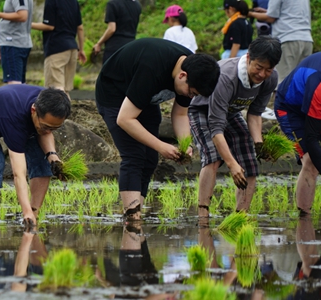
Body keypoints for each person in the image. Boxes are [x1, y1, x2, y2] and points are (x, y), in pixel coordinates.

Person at [95, 38, 220, 221]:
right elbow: (125, 119)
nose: (190, 96)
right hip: (115, 94)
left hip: (146, 98)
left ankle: (135, 212)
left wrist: (185, 143)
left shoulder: (195, 70)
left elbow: (180, 114)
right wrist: (162, 146)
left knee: (150, 158)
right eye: (191, 92)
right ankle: (132, 217)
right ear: (182, 75)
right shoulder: (152, 68)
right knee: (134, 155)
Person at [189, 36, 281, 218]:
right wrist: (232, 164)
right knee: (213, 158)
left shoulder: (270, 80)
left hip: (231, 112)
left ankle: (240, 216)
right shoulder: (226, 76)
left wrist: (259, 144)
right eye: (258, 67)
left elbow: (254, 114)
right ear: (248, 58)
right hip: (203, 109)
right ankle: (203, 216)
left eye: (268, 70)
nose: (262, 74)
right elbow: (216, 127)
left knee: (249, 161)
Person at [0, 85, 70, 225]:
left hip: (14, 115)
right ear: (34, 110)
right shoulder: (15, 119)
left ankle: (33, 216)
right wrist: (24, 210)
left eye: (55, 128)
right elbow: (19, 173)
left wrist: (53, 158)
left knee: (42, 162)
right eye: (46, 126)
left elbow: (46, 132)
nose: (48, 130)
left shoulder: (49, 104)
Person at [274, 52, 321, 216]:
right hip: (290, 110)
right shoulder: (318, 85)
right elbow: (312, 137)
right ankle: (304, 217)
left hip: (312, 105)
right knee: (310, 162)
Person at [249, 0, 313, 83]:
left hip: (288, 39)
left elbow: (271, 18)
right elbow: (290, 12)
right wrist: (266, 12)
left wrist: (250, 14)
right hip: (306, 39)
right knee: (300, 83)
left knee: (282, 81)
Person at [32, 0, 86, 93]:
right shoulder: (74, 2)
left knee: (55, 89)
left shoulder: (51, 1)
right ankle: (67, 108)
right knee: (65, 90)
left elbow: (49, 26)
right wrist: (81, 50)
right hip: (72, 48)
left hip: (56, 48)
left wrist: (28, 24)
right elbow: (80, 28)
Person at [0, 0, 33, 84]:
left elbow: (22, 15)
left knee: (14, 84)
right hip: (18, 41)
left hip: (13, 42)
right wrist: (1, 44)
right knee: (20, 84)